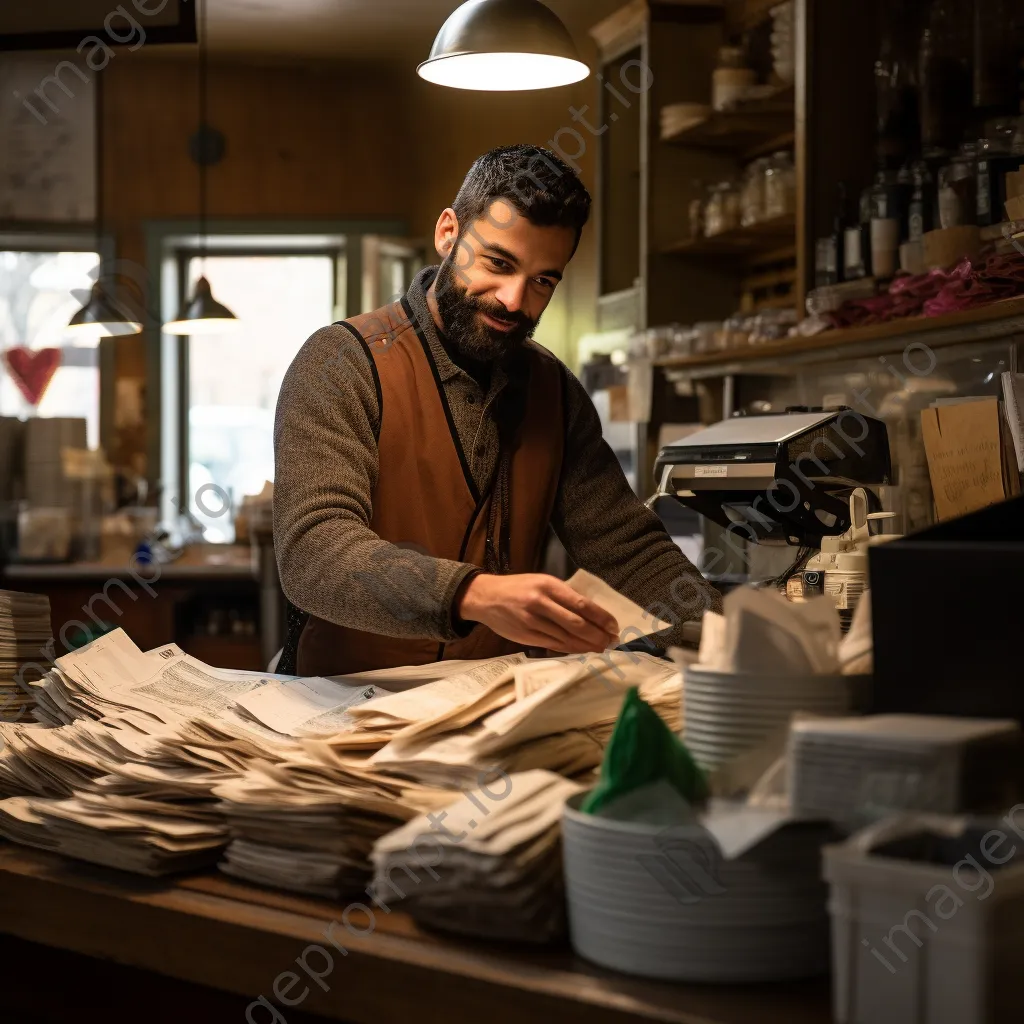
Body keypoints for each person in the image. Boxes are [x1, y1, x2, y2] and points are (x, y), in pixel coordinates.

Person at [274, 144, 721, 677]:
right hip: (343, 702)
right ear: (448, 234)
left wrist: (731, 636)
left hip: (486, 706)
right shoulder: (342, 361)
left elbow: (626, 547)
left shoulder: (554, 391)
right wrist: (473, 594)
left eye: (543, 280)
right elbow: (315, 551)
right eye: (499, 263)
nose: (514, 300)